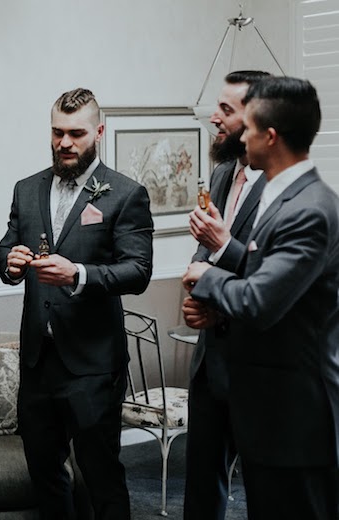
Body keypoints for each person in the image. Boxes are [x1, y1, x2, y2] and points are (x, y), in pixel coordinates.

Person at [183, 76, 339, 519]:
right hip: (261, 397)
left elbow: (261, 300)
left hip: (295, 414)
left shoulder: (308, 207)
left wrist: (205, 278)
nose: (240, 135)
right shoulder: (281, 196)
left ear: (270, 137)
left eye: (247, 127)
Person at [0, 87, 153, 520]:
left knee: (100, 474)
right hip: (38, 362)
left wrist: (79, 275)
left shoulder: (124, 193)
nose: (64, 142)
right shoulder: (26, 189)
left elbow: (138, 271)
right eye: (57, 132)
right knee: (44, 473)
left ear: (99, 132)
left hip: (93, 364)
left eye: (76, 133)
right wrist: (8, 262)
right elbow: (7, 246)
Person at [181, 70, 270, 520]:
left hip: (261, 368)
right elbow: (206, 255)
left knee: (266, 489)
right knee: (201, 484)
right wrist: (199, 294)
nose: (213, 117)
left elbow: (279, 282)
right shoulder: (220, 175)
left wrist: (223, 246)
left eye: (226, 110)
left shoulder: (286, 193)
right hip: (209, 362)